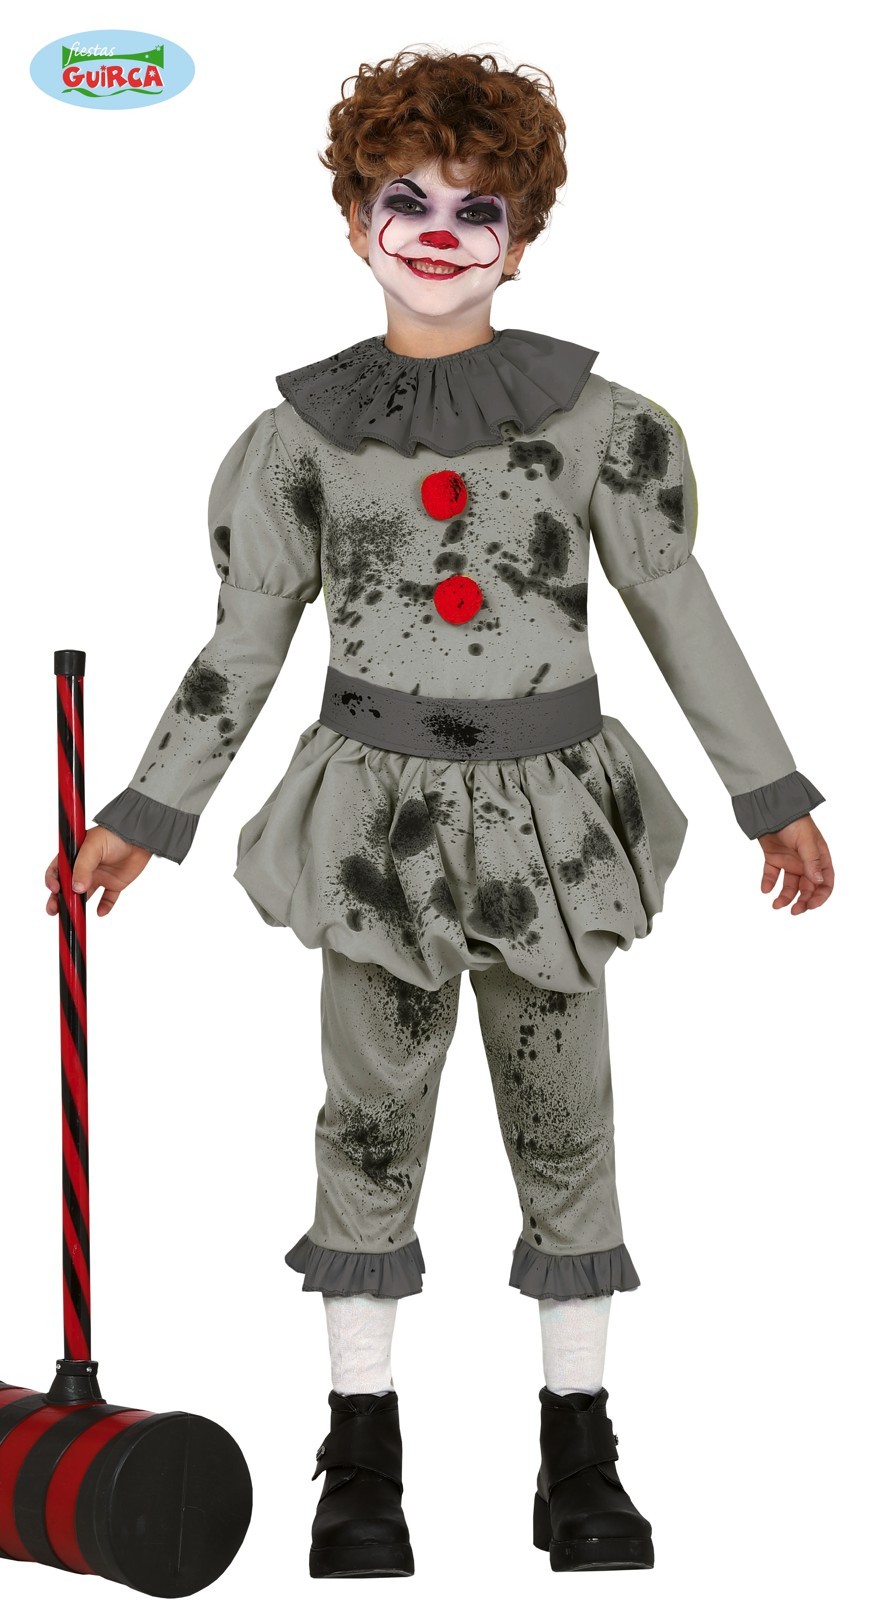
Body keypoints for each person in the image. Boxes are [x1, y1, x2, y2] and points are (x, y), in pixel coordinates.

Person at [44, 47, 833, 1578]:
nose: (440, 232)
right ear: (356, 219)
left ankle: (578, 1449)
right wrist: (148, 808)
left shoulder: (598, 425)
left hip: (553, 830)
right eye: (407, 200)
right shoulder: (304, 440)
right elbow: (244, 646)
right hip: (378, 837)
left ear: (520, 240)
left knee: (567, 1124)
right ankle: (362, 1453)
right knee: (368, 1124)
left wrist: (771, 791)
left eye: (480, 210)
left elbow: (678, 608)